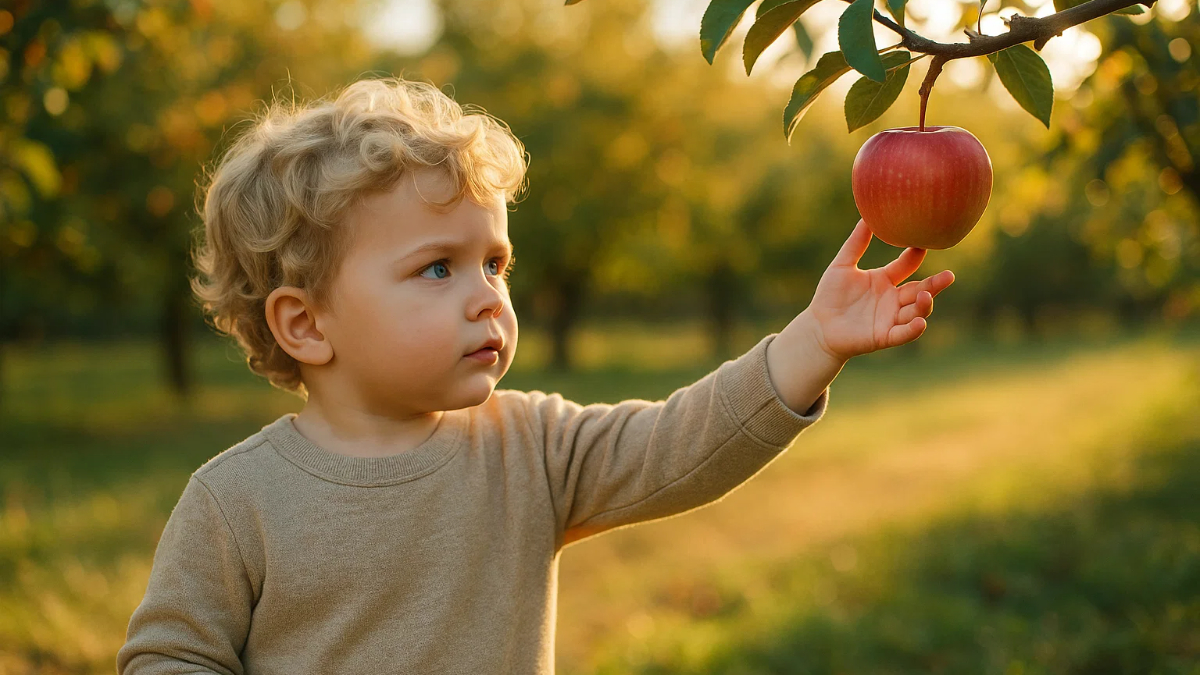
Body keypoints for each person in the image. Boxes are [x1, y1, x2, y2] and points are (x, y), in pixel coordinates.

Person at [117, 76, 954, 674]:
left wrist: (814, 341)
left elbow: (680, 441)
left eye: (496, 262)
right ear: (306, 323)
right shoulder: (237, 502)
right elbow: (171, 653)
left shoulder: (532, 447)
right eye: (438, 269)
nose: (487, 296)